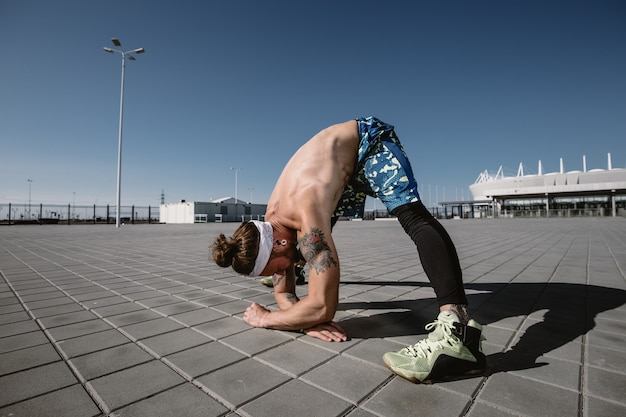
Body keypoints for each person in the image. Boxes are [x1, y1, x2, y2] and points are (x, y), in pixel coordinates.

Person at [212, 116, 486, 383]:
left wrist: (268, 319)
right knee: (302, 260)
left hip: (366, 142)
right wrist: (303, 319)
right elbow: (284, 293)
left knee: (413, 217)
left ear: (281, 243)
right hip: (335, 173)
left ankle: (457, 332)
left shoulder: (306, 221)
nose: (283, 273)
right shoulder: (274, 227)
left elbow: (322, 308)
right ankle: (311, 280)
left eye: (280, 268)